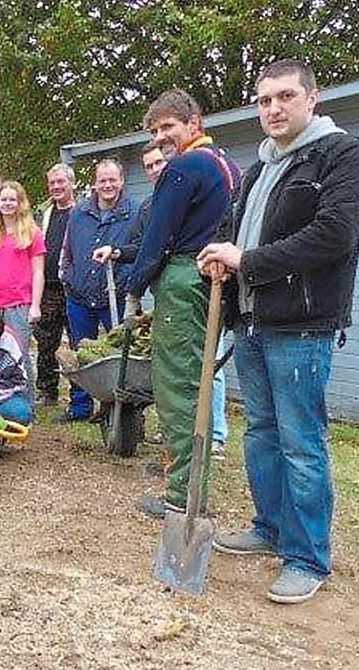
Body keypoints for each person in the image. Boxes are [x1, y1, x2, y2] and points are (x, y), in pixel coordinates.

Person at [198, 59, 359, 604]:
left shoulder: (342, 155)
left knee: (301, 442)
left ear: (312, 98)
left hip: (301, 326)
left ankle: (307, 556)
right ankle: (269, 526)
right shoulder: (260, 166)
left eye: (285, 97)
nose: (273, 108)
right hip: (251, 320)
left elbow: (333, 236)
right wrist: (220, 258)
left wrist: (246, 258)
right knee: (262, 434)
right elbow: (236, 228)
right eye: (264, 100)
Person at [126, 89, 241, 520]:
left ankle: (182, 494)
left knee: (177, 389)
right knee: (198, 381)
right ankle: (194, 487)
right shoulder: (228, 166)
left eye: (168, 127)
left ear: (195, 123)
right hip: (211, 277)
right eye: (155, 131)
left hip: (182, 277)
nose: (161, 138)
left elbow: (157, 235)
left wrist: (134, 284)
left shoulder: (184, 166)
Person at [94, 141, 229, 458]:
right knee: (180, 377)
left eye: (159, 163)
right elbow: (145, 246)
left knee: (206, 369)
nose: (156, 169)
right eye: (150, 166)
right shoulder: (150, 206)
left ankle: (214, 437)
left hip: (198, 285)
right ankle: (181, 442)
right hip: (169, 289)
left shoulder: (193, 186)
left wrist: (136, 287)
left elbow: (164, 246)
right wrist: (117, 252)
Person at [58, 158, 137, 422]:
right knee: (82, 353)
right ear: (95, 183)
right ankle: (80, 407)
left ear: (122, 181)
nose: (108, 185)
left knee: (121, 355)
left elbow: (139, 250)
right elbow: (67, 251)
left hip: (116, 296)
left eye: (112, 179)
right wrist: (68, 277)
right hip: (79, 297)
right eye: (102, 180)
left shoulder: (134, 212)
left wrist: (127, 281)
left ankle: (120, 411)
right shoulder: (79, 213)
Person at [0, 180, 45, 401]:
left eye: (12, 199)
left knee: (19, 355)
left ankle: (25, 403)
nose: (7, 203)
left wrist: (35, 305)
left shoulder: (32, 233)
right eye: (3, 199)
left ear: (20, 202)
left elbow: (38, 273)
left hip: (19, 304)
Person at [34, 163, 76, 406]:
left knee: (76, 342)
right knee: (45, 343)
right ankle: (47, 392)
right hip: (48, 288)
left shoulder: (80, 212)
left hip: (71, 288)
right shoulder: (45, 213)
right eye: (52, 183)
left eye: (61, 182)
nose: (57, 187)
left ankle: (79, 396)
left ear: (71, 183)